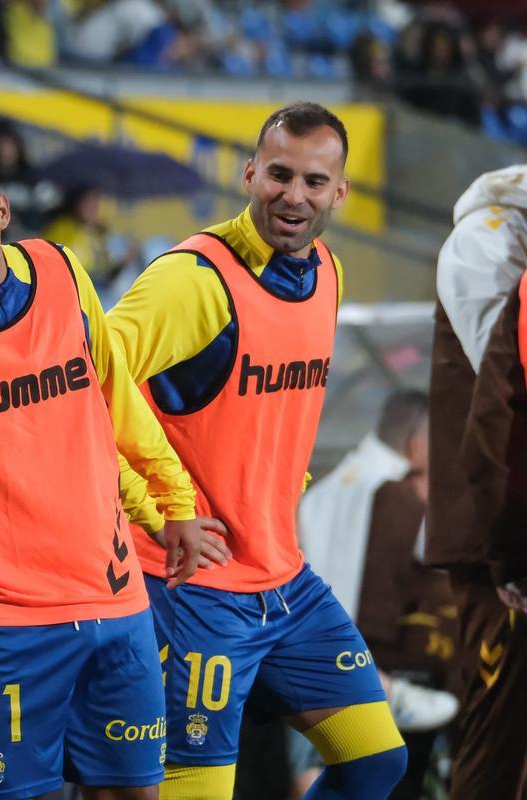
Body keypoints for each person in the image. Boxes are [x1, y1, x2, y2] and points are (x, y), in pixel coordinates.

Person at [0, 137, 230, 800]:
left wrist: (170, 505)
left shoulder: (63, 271)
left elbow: (111, 403)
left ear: (2, 212)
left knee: (132, 795)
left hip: (113, 602)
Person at [106, 102, 408, 799]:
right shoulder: (192, 280)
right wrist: (151, 508)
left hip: (283, 579)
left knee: (376, 760)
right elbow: (78, 387)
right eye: (277, 175)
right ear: (249, 174)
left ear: (340, 192)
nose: (292, 195)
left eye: (312, 180)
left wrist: (279, 473)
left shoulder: (328, 273)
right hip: (190, 588)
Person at [296, 390, 457, 798]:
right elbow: (436, 556)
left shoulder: (321, 490)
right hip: (374, 662)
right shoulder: (401, 495)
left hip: (305, 648)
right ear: (417, 446)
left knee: (318, 766)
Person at [427, 163, 527, 800]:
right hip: (495, 540)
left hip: (509, 521)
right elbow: (506, 375)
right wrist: (508, 549)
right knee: (497, 738)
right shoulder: (486, 237)